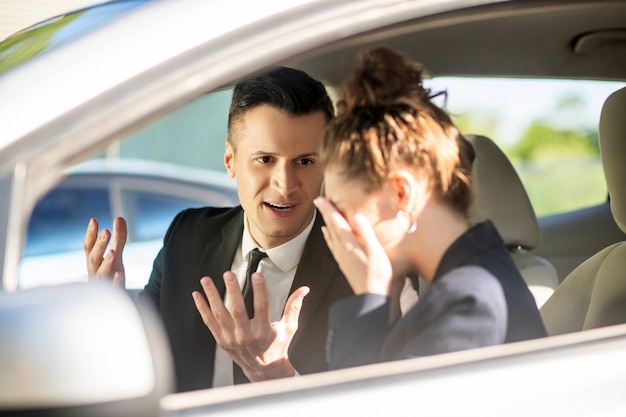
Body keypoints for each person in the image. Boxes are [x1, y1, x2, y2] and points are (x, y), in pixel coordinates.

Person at [84, 67, 353, 391]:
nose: (285, 185)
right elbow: (143, 364)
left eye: (305, 161)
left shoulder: (358, 266)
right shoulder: (187, 236)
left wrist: (279, 377)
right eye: (265, 159)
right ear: (230, 160)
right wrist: (108, 305)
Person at [313, 47, 547, 370]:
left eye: (340, 209)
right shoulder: (464, 284)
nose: (335, 228)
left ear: (400, 194)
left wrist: (368, 298)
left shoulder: (468, 303)